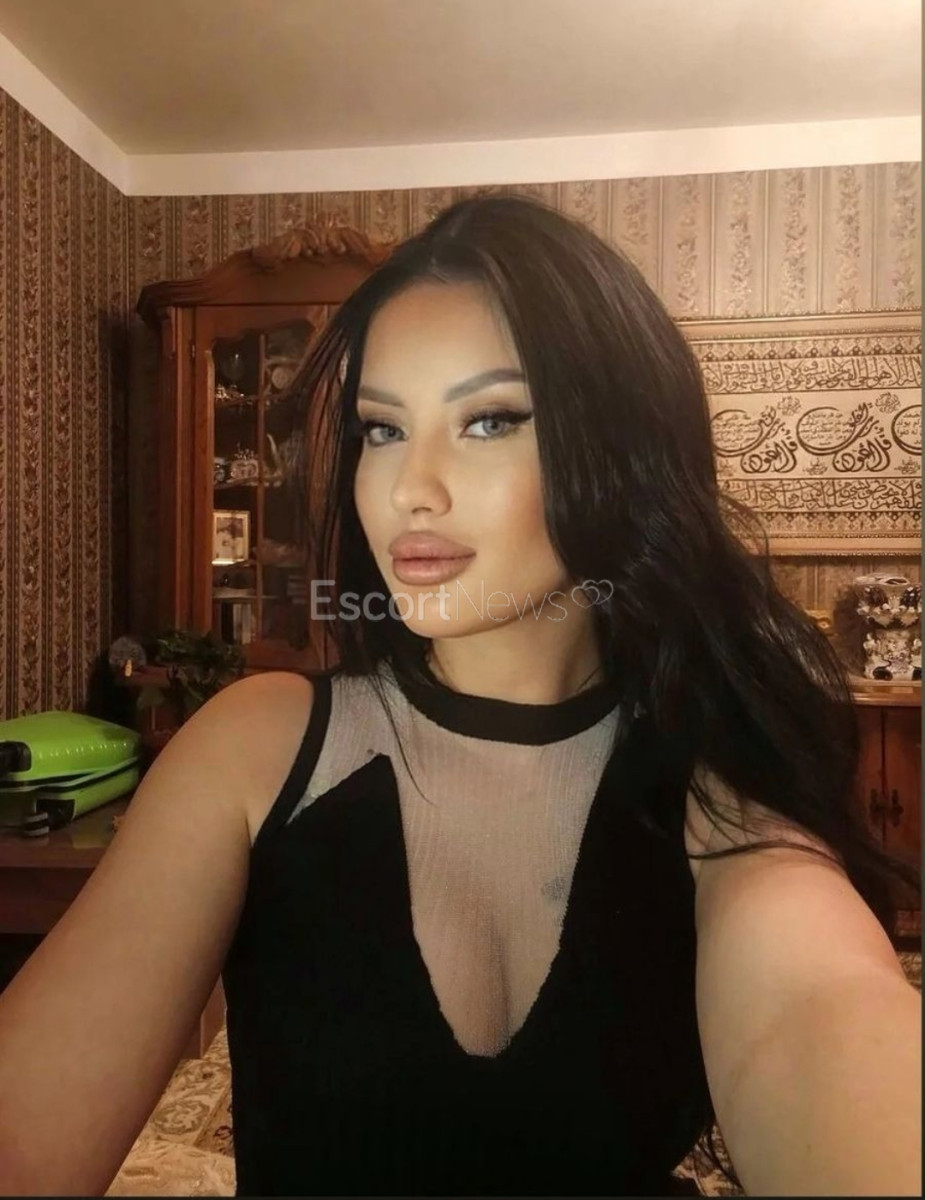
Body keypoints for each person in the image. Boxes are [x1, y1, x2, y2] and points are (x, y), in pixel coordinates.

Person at [0, 194, 920, 1198]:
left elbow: (822, 1014)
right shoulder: (256, 749)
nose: (410, 488)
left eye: (489, 420)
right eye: (381, 430)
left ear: (625, 447)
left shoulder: (715, 788)